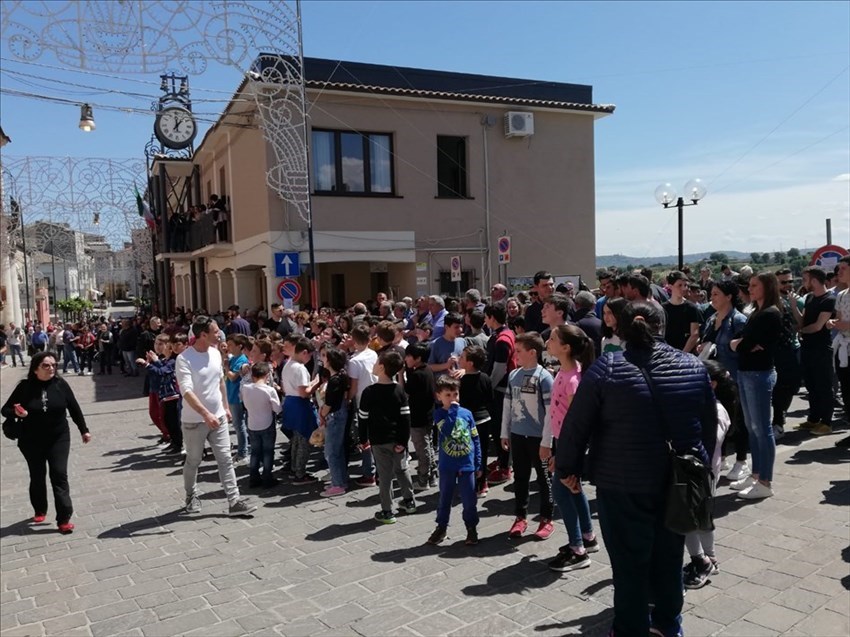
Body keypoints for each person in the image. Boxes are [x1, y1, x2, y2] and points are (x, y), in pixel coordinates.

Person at [556, 301, 716, 637]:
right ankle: (668, 624)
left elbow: (575, 426)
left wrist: (568, 468)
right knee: (669, 556)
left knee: (630, 563)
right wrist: (701, 467)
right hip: (677, 480)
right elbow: (707, 426)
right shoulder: (691, 365)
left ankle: (631, 628)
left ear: (627, 326)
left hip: (622, 482)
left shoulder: (608, 367)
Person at [1, 351, 92, 533]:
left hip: (58, 437)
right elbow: (5, 410)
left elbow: (74, 408)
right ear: (35, 369)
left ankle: (64, 518)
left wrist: (84, 430)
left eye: (54, 365)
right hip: (31, 440)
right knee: (37, 475)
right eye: (46, 365)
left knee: (59, 475)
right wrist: (17, 413)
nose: (51, 368)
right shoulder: (25, 387)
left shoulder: (61, 385)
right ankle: (40, 508)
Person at [175, 316, 256, 517]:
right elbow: (186, 391)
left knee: (226, 459)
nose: (220, 333)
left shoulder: (216, 354)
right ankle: (191, 495)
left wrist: (225, 407)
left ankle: (234, 501)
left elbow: (220, 382)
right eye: (216, 330)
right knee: (193, 460)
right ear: (203, 334)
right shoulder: (184, 359)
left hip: (218, 418)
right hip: (194, 421)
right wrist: (205, 413)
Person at [539, 325, 599, 572]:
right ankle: (587, 536)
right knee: (574, 491)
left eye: (552, 339)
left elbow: (579, 420)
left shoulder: (573, 379)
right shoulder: (563, 372)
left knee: (563, 493)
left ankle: (577, 550)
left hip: (569, 444)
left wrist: (564, 454)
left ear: (565, 348)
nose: (547, 342)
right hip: (562, 442)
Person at [729, 273, 783, 500]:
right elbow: (741, 341)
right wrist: (740, 344)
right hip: (746, 372)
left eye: (754, 286)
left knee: (762, 428)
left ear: (767, 288)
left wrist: (740, 344)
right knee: (753, 427)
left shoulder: (770, 314)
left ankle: (765, 480)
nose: (749, 289)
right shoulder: (757, 313)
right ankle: (756, 474)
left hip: (759, 374)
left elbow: (745, 343)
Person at [683, 359, 733, 590]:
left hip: (702, 473)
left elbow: (709, 443)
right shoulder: (702, 405)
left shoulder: (716, 411)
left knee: (692, 519)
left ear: (711, 384)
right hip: (698, 471)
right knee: (697, 518)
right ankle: (707, 558)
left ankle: (703, 560)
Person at [500, 332, 555, 539]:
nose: (516, 355)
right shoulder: (514, 375)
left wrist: (547, 441)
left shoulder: (544, 377)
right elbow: (508, 405)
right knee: (520, 478)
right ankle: (520, 517)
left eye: (519, 351)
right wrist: (504, 432)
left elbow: (551, 413)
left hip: (538, 439)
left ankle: (546, 518)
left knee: (544, 479)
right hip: (517, 435)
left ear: (533, 353)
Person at [357, 350, 417, 524]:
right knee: (402, 469)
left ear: (381, 367)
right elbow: (406, 419)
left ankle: (387, 510)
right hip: (396, 440)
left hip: (378, 441)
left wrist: (363, 439)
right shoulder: (399, 391)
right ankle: (409, 501)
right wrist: (403, 442)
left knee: (384, 476)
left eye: (376, 362)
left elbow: (363, 418)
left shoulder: (369, 392)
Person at [427, 376, 482, 546]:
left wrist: (478, 462)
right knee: (445, 498)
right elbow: (448, 429)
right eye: (448, 395)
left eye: (455, 394)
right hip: (447, 465)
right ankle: (441, 527)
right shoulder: (439, 414)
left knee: (469, 499)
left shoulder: (467, 414)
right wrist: (451, 410)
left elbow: (475, 438)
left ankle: (471, 528)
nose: (452, 399)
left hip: (466, 464)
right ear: (439, 396)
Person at [791, 266, 837, 434]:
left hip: (821, 349)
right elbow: (803, 321)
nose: (803, 283)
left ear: (815, 281)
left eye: (805, 279)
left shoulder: (829, 300)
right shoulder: (810, 298)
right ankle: (813, 419)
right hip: (808, 348)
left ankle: (826, 422)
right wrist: (794, 306)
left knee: (823, 385)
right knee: (811, 385)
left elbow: (817, 326)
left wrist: (801, 331)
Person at [281, 337, 320, 485]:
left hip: (291, 402)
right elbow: (304, 392)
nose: (309, 359)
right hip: (300, 405)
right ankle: (300, 473)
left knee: (296, 439)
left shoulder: (288, 364)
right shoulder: (300, 368)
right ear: (304, 353)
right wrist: (316, 383)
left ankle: (294, 468)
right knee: (304, 440)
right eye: (309, 355)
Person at [456, 345, 494, 496]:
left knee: (465, 453)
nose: (459, 359)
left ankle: (469, 485)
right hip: (483, 420)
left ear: (470, 363)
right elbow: (490, 398)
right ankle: (482, 483)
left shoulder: (461, 380)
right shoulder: (485, 377)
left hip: (466, 422)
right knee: (481, 453)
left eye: (462, 357)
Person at [241, 361, 282, 489]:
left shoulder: (245, 388)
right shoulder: (269, 390)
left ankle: (253, 477)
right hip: (267, 423)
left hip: (252, 424)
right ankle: (267, 477)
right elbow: (278, 409)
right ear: (267, 375)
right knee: (268, 452)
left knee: (255, 451)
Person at [317, 347, 351, 497]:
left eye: (325, 356)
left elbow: (329, 404)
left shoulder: (334, 380)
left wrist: (322, 414)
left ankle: (337, 484)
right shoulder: (342, 375)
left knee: (331, 452)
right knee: (337, 450)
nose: (322, 359)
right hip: (340, 414)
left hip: (335, 416)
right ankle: (341, 480)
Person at [404, 342, 437, 491]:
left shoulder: (418, 374)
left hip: (418, 417)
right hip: (428, 415)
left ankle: (424, 479)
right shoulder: (427, 370)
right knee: (428, 445)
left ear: (417, 358)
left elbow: (406, 392)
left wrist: (400, 375)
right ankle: (432, 475)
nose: (406, 359)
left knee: (422, 449)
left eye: (409, 356)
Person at [225, 334, 251, 465]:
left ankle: (243, 451)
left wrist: (226, 367)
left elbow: (233, 377)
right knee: (237, 424)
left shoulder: (242, 359)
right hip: (231, 394)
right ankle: (243, 449)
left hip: (237, 396)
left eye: (231, 345)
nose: (228, 347)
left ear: (239, 346)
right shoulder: (233, 358)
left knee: (239, 424)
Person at [663, 270, 703, 353]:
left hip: (687, 353)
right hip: (667, 352)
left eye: (685, 285)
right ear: (670, 286)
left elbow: (694, 334)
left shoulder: (691, 308)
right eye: (679, 285)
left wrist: (683, 353)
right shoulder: (663, 308)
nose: (684, 288)